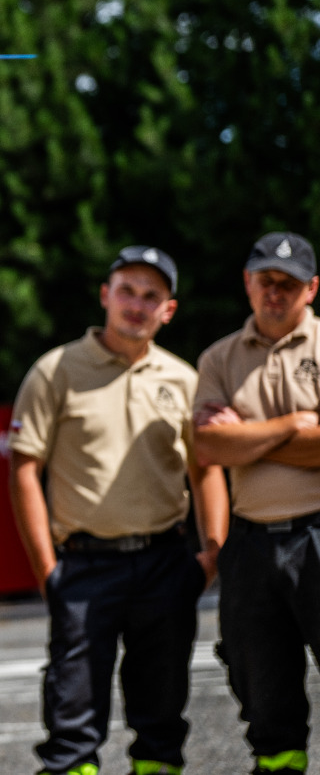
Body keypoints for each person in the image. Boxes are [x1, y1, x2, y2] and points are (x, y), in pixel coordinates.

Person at [8, 246, 227, 775]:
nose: (137, 304)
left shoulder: (184, 379)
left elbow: (205, 471)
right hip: (83, 565)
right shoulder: (55, 371)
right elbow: (23, 470)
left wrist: (210, 555)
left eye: (151, 295)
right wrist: (46, 569)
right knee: (71, 721)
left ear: (168, 311)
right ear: (105, 295)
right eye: (127, 290)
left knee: (161, 717)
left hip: (165, 562)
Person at [192, 232, 320, 775]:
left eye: (289, 284)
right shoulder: (218, 358)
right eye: (266, 280)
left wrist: (245, 437)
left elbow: (227, 445)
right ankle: (279, 765)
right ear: (247, 283)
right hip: (250, 542)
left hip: (317, 532)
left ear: (312, 289)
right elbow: (207, 448)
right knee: (260, 681)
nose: (275, 292)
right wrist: (294, 426)